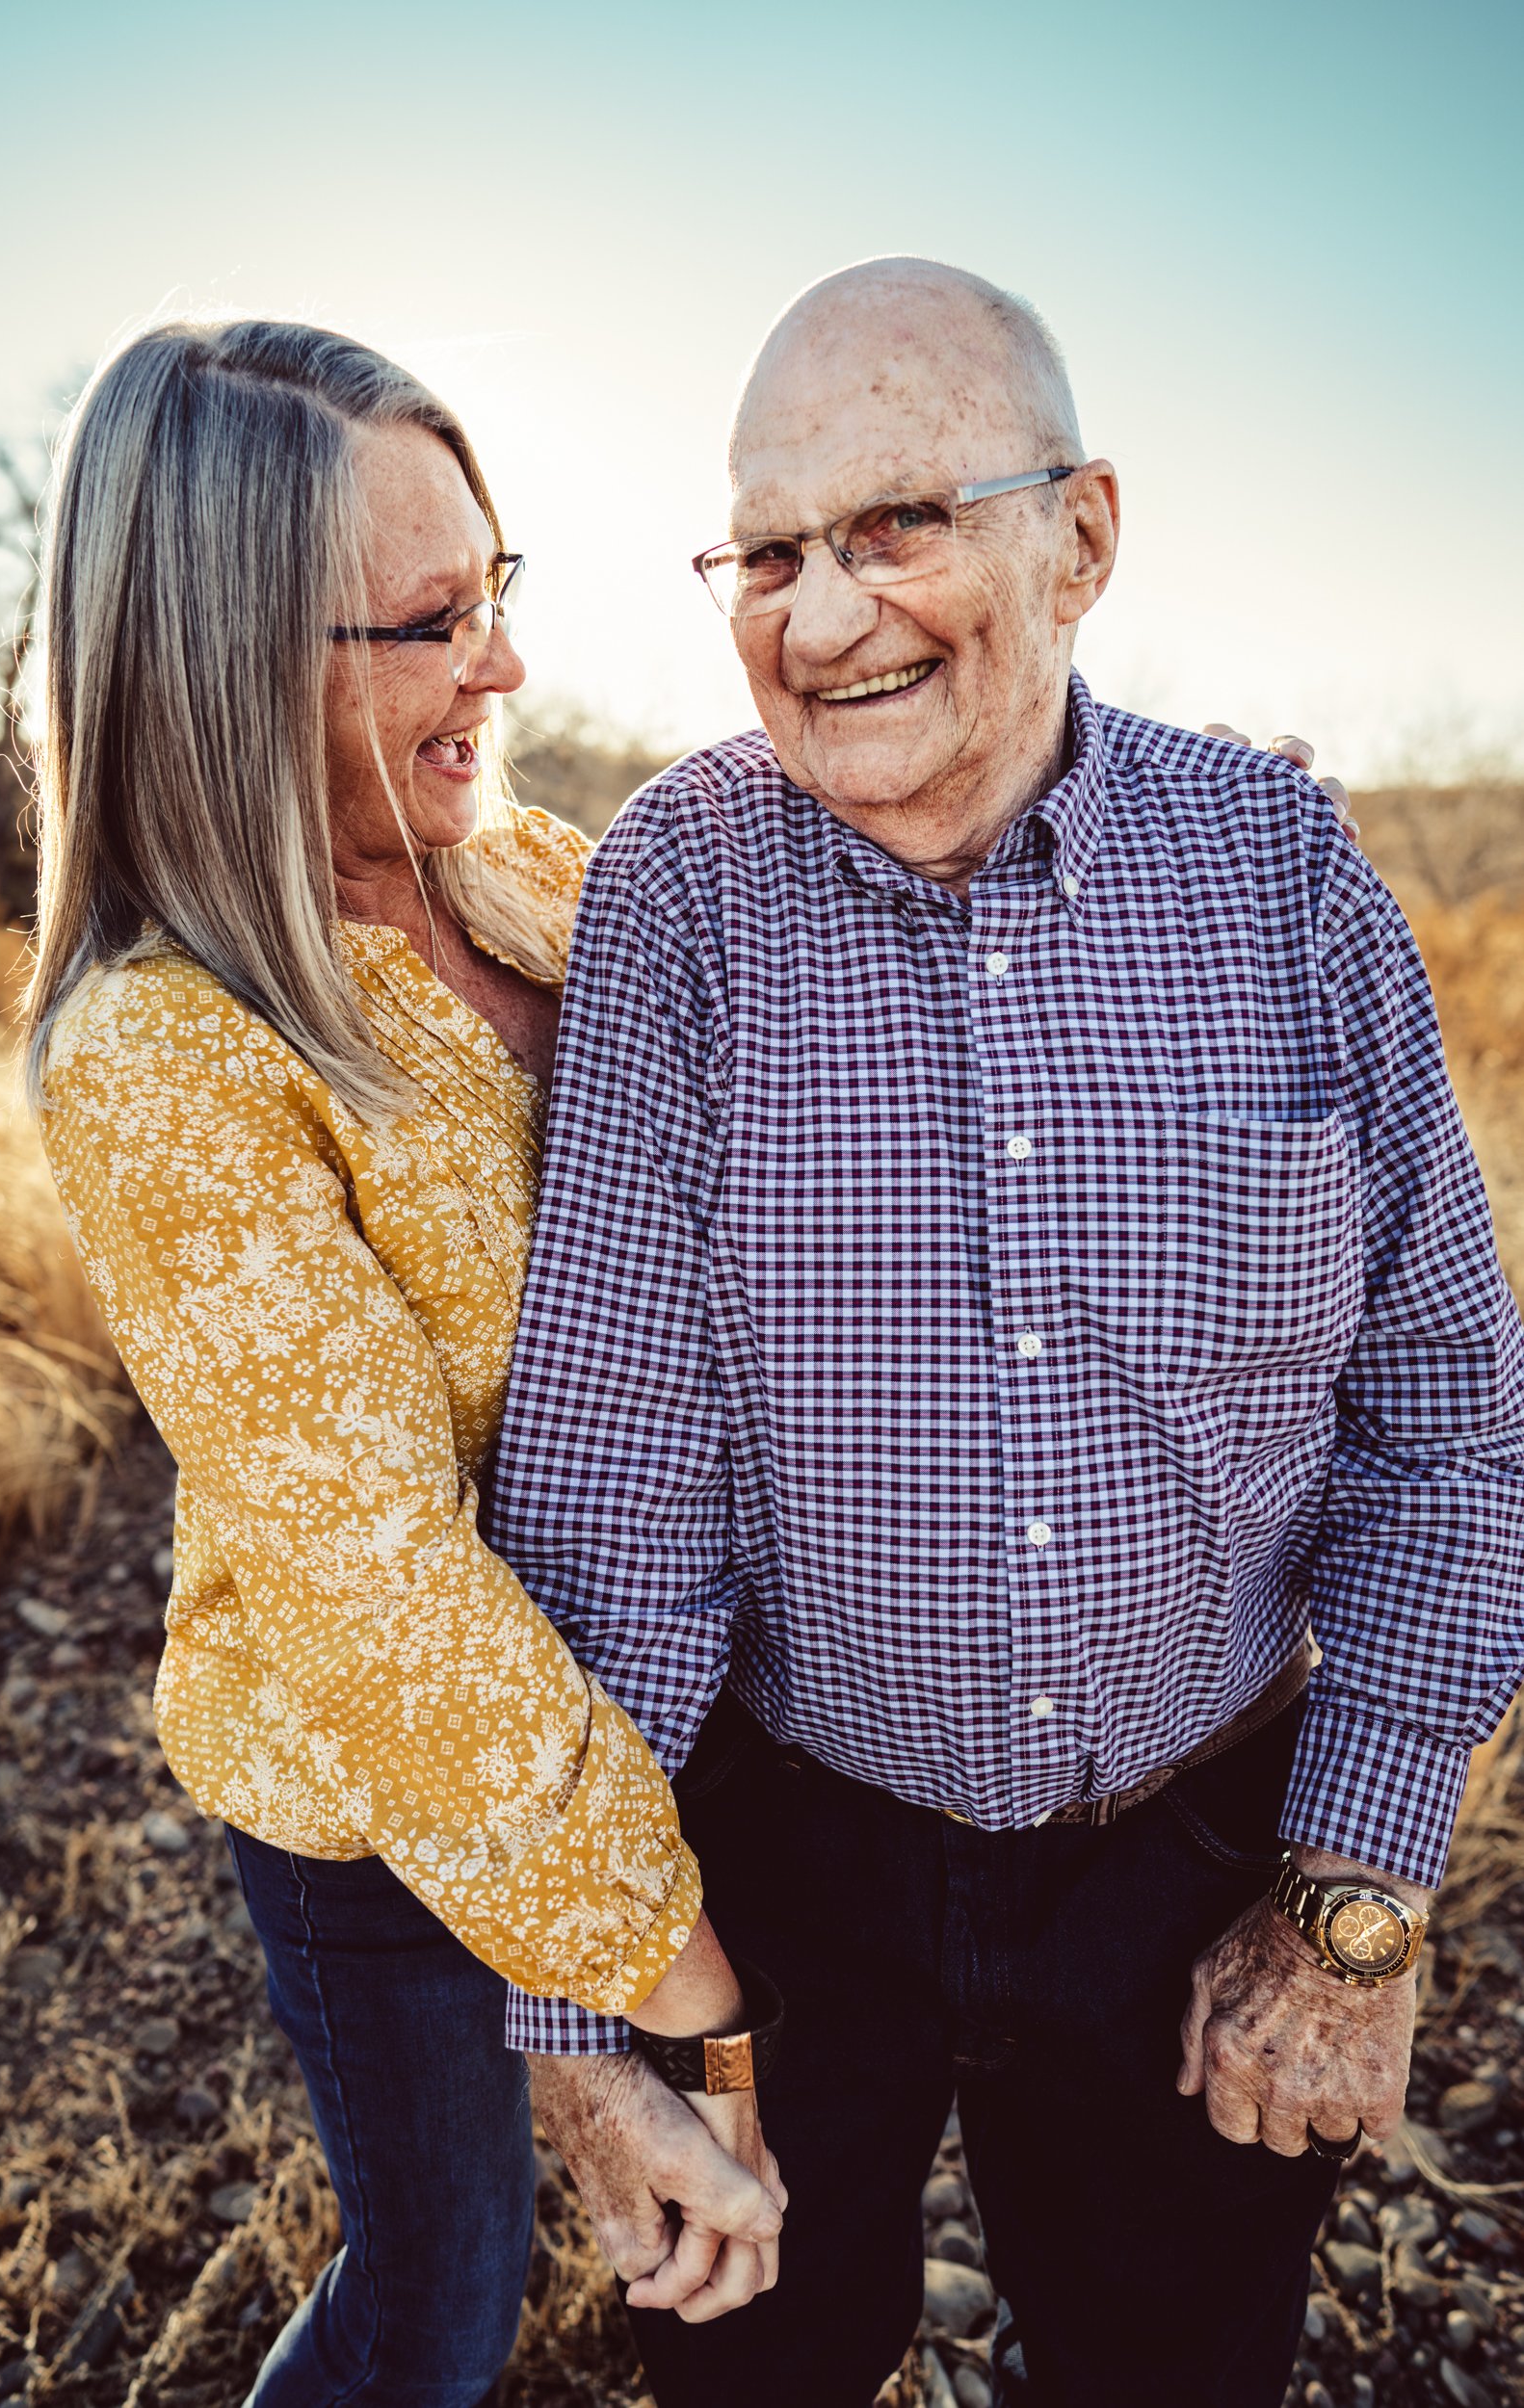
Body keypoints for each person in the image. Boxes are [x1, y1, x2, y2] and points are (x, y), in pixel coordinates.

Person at [489, 257, 1524, 2408]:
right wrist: (583, 2014)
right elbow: (610, 1490)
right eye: (767, 551)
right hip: (783, 1846)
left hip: (1202, 1839)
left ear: (1084, 537)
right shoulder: (683, 889)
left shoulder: (1281, 874)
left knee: (1177, 2360)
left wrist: (1354, 1892)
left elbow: (1449, 1423)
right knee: (751, 2372)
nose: (822, 612)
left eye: (897, 524)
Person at [24, 318, 784, 2408]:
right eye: (436, 620)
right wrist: (653, 1957)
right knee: (439, 2294)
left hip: (628, 1696)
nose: (506, 671)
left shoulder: (517, 866)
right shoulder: (169, 1051)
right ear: (223, 650)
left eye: (502, 590)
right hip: (375, 1791)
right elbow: (379, 1592)